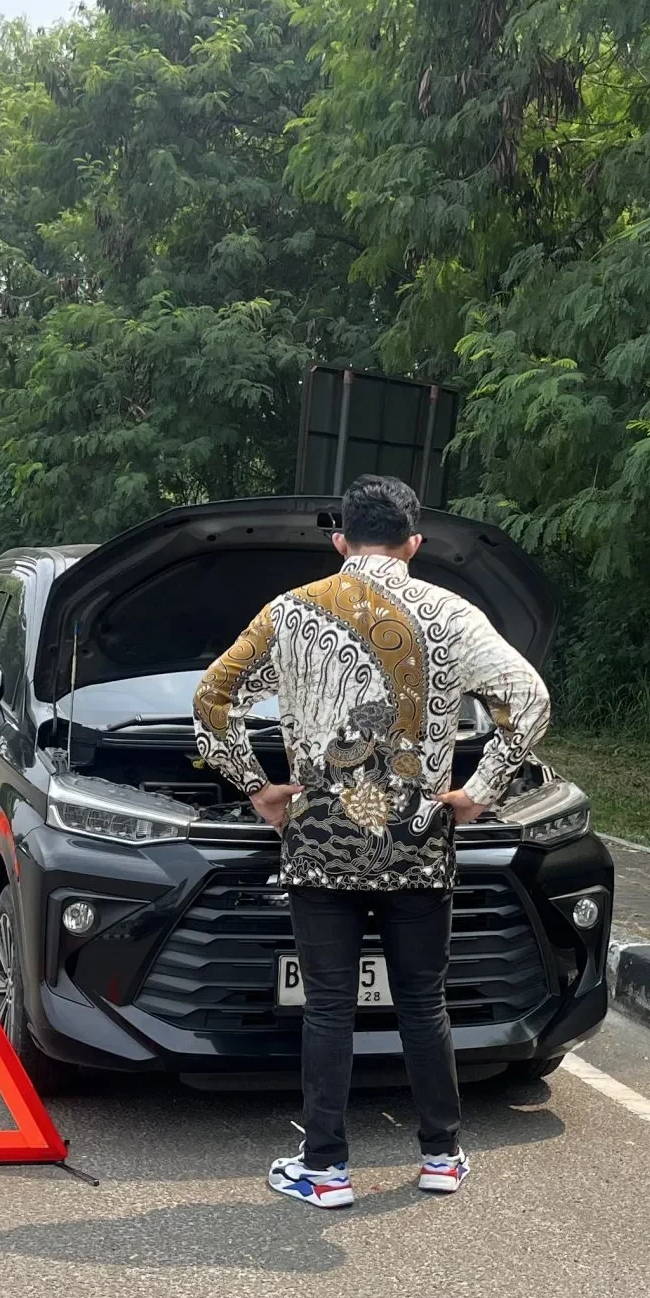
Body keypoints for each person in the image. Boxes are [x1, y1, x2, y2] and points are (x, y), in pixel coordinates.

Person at [193, 473, 551, 1208]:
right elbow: (531, 701)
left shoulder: (291, 612)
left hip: (321, 843)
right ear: (415, 542)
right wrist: (478, 793)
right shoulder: (453, 614)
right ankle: (442, 1157)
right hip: (421, 845)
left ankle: (325, 1171)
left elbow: (212, 698)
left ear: (340, 541)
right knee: (423, 1003)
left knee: (328, 1008)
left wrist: (254, 785)